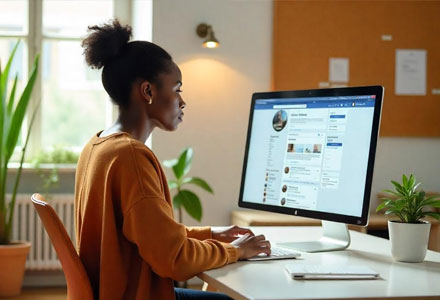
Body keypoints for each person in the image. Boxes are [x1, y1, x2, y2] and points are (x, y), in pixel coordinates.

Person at [74, 20, 271, 300]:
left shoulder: (98, 145)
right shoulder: (131, 157)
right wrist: (236, 251)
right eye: (177, 88)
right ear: (148, 91)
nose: (182, 101)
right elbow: (174, 259)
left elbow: (153, 234)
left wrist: (213, 234)